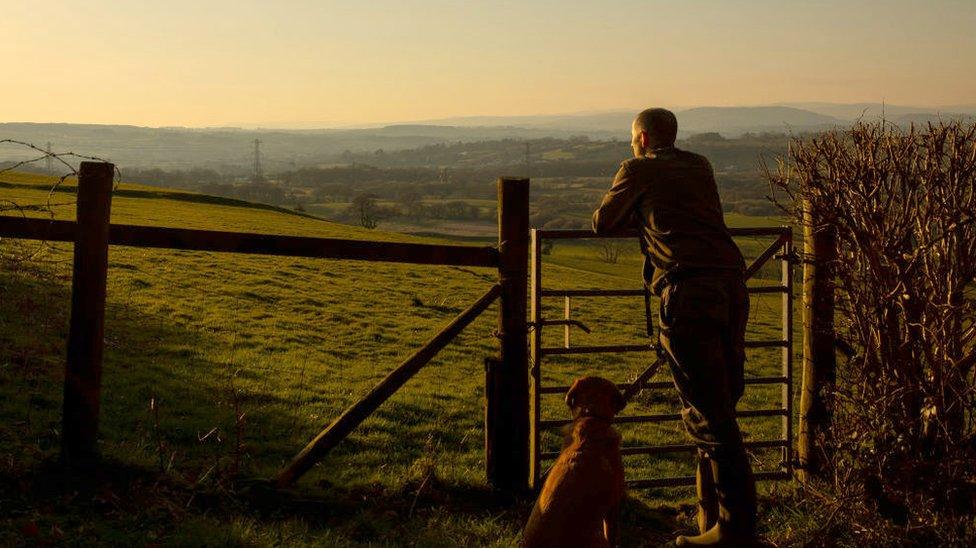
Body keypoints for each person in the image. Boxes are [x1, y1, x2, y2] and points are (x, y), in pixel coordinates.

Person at [592, 108, 757, 547]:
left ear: (642, 138)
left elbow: (602, 222)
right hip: (730, 286)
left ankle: (734, 533)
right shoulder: (700, 164)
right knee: (724, 404)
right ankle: (721, 522)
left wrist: (638, 215)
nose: (631, 145)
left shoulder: (636, 169)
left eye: (632, 139)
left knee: (712, 417)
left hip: (688, 294)